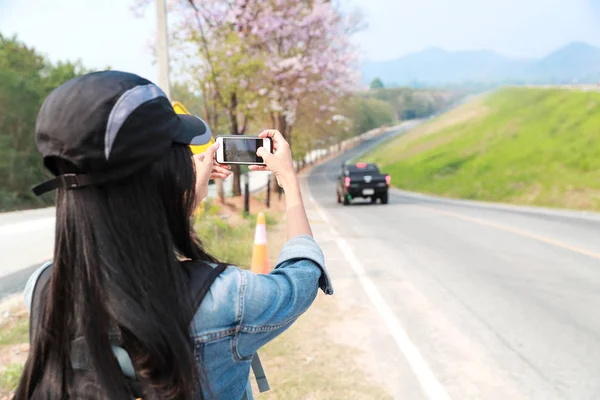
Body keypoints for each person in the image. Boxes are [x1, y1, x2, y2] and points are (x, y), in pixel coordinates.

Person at [14, 71, 332, 400]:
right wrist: (289, 181)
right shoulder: (225, 299)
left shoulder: (43, 289)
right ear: (165, 180)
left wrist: (180, 196)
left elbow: (122, 238)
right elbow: (302, 278)